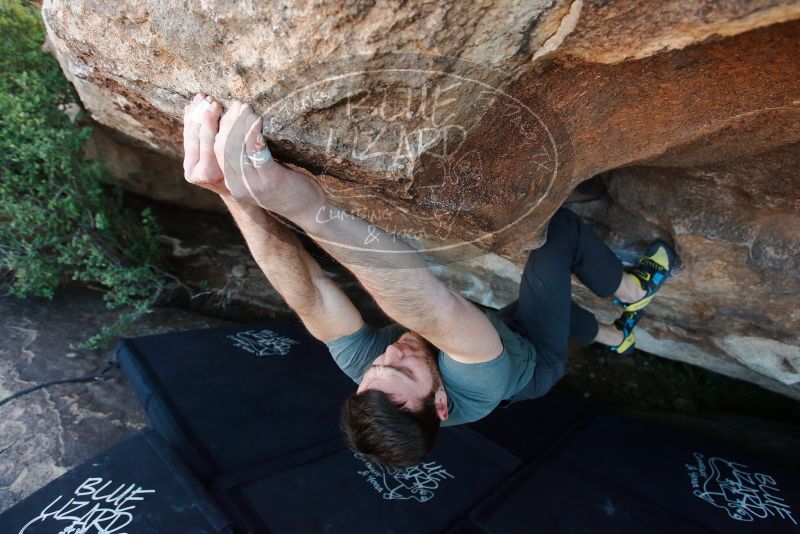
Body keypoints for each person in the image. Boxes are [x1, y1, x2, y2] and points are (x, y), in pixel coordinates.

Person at [181, 94, 676, 467]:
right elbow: (429, 308)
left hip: (496, 332)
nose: (391, 352)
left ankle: (618, 336)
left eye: (377, 366)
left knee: (556, 310)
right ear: (440, 405)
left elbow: (308, 295)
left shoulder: (375, 383)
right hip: (532, 363)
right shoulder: (476, 389)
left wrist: (232, 192)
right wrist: (307, 209)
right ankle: (632, 291)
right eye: (404, 370)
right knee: (558, 237)